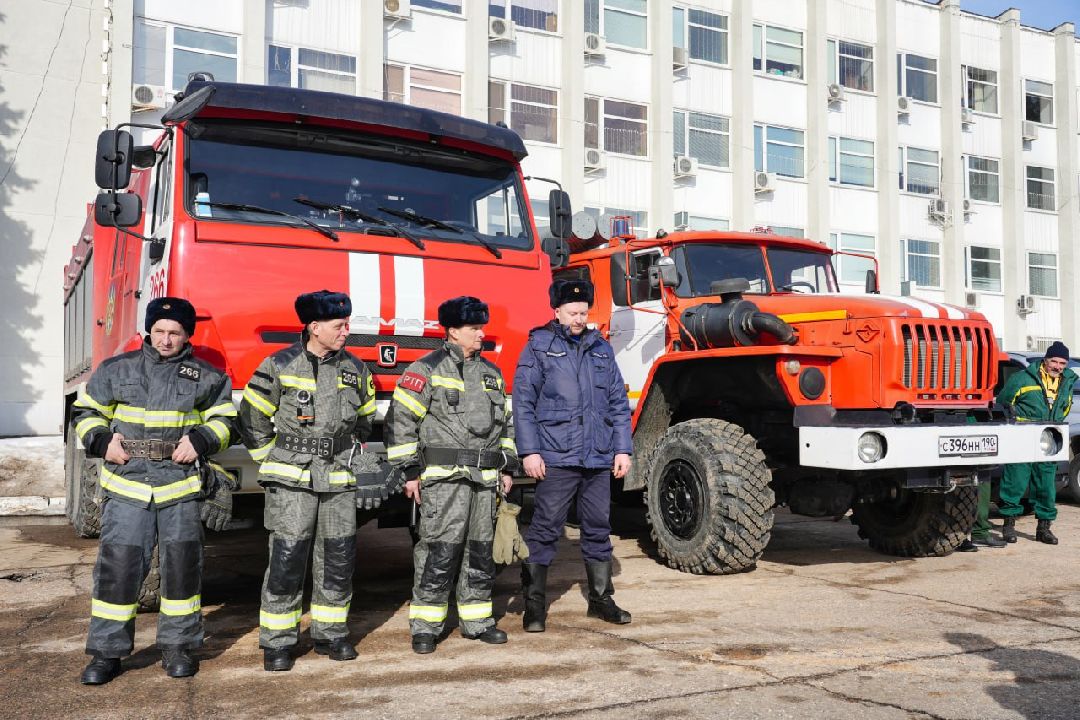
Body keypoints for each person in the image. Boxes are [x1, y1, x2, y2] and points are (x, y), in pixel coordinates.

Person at [72, 297, 237, 684]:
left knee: (182, 570)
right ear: (149, 331)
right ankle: (106, 654)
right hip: (127, 485)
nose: (165, 339)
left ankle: (178, 647)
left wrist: (200, 440)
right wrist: (100, 441)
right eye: (159, 331)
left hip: (178, 487)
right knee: (118, 571)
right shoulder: (116, 369)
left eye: (174, 333)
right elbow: (85, 412)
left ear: (186, 335)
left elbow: (228, 420)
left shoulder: (207, 377)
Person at [238, 290, 376, 671]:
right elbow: (252, 419)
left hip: (338, 480)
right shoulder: (279, 365)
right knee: (287, 559)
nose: (347, 331)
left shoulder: (356, 369)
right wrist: (273, 461)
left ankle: (331, 635)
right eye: (339, 326)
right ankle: (278, 642)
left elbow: (364, 420)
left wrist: (354, 457)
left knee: (338, 558)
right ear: (314, 327)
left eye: (347, 324)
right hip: (292, 481)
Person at [385, 296, 516, 654]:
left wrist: (507, 465)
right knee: (438, 552)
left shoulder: (492, 374)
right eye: (475, 328)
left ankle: (477, 621)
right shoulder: (424, 370)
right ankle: (426, 626)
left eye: (481, 327)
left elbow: (507, 425)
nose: (481, 334)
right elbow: (400, 424)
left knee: (480, 552)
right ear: (454, 331)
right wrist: (410, 472)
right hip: (443, 483)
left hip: (485, 481)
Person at [513, 279, 633, 633]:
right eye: (572, 312)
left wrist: (622, 448)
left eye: (584, 312)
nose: (579, 319)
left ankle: (601, 600)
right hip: (557, 455)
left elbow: (617, 402)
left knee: (598, 528)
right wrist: (530, 451)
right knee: (546, 529)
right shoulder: (539, 345)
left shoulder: (601, 349)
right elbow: (523, 403)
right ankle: (534, 607)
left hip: (597, 456)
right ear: (557, 311)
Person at [996, 341, 1077, 545]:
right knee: (1015, 481)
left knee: (1046, 484)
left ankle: (1044, 529)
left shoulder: (1067, 381)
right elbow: (1004, 404)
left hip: (1049, 438)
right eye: (1054, 361)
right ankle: (1008, 525)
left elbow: (1066, 406)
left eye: (1062, 363)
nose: (1057, 367)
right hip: (1022, 436)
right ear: (1046, 360)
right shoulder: (1022, 379)